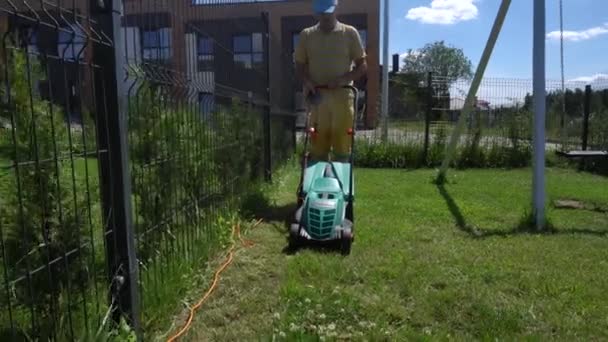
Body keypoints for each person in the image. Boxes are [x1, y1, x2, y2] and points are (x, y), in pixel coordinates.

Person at [294, 0, 367, 162]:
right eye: (322, 13)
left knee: (342, 149)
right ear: (316, 13)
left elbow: (362, 67)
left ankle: (341, 184)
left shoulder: (349, 33)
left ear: (336, 9)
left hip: (343, 99)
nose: (325, 16)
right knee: (318, 149)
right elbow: (299, 66)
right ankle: (317, 184)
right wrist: (307, 81)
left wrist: (343, 80)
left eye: (328, 12)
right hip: (317, 100)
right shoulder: (307, 35)